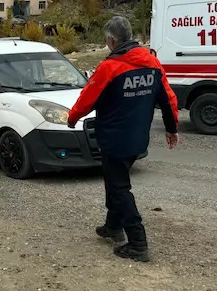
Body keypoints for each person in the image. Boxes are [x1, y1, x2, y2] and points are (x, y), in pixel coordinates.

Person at [66, 16, 179, 262]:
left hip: (113, 139)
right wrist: (172, 128)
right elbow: (168, 98)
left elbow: (88, 97)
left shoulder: (110, 67)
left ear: (111, 40)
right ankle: (113, 226)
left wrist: (72, 117)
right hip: (137, 138)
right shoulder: (152, 63)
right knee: (114, 181)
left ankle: (138, 242)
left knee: (119, 188)